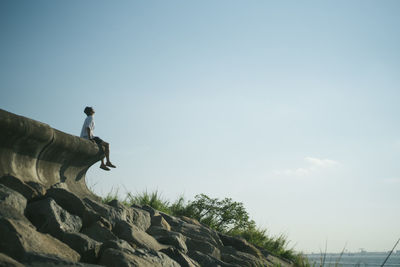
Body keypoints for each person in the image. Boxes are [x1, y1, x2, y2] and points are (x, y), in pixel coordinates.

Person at [80, 106, 116, 171]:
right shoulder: (91, 117)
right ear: (91, 111)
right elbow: (88, 128)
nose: (94, 109)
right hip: (88, 137)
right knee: (107, 145)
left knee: (102, 148)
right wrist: (90, 138)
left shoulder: (88, 118)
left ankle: (102, 164)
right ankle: (108, 162)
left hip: (86, 136)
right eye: (92, 109)